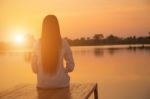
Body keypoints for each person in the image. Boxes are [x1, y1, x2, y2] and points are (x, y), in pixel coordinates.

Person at [31, 15, 75, 89]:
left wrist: (42, 73)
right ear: (57, 27)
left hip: (43, 85)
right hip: (61, 84)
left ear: (44, 28)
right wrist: (63, 71)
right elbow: (71, 66)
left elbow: (34, 69)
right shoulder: (64, 43)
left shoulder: (37, 44)